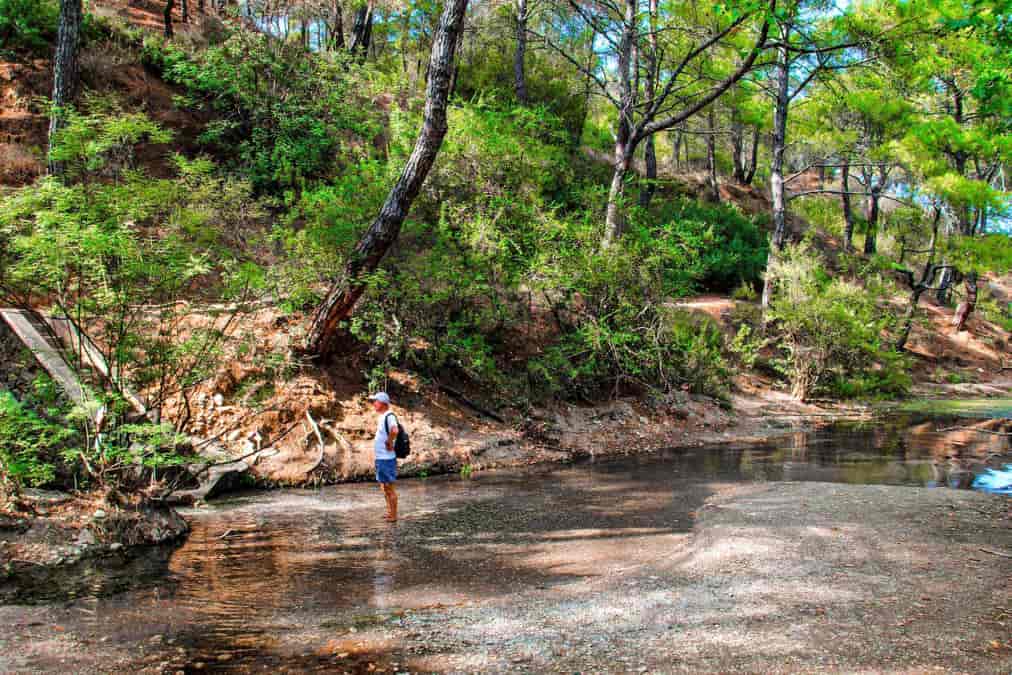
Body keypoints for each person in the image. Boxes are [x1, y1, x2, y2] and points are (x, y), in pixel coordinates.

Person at [369, 392, 399, 522]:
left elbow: (394, 430)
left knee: (389, 487)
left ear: (383, 403)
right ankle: (389, 512)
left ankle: (394, 515)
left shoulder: (389, 416)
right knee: (384, 487)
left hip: (386, 458)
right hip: (381, 458)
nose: (373, 404)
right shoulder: (383, 416)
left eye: (375, 401)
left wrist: (389, 442)